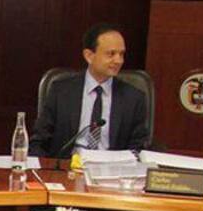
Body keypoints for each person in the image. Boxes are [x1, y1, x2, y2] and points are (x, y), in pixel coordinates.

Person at [29, 22, 151, 158]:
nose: (119, 60)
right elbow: (39, 140)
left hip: (111, 172)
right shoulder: (61, 91)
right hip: (67, 168)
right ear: (89, 56)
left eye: (121, 54)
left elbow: (138, 147)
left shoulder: (134, 98)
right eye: (111, 54)